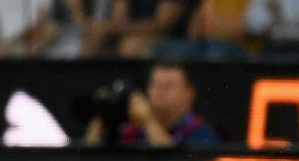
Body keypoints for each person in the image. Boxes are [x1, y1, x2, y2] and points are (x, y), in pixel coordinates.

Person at [84, 62, 219, 148]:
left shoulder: (201, 132)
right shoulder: (132, 128)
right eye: (155, 85)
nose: (160, 91)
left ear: (189, 94)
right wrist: (100, 116)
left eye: (169, 86)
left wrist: (148, 121)